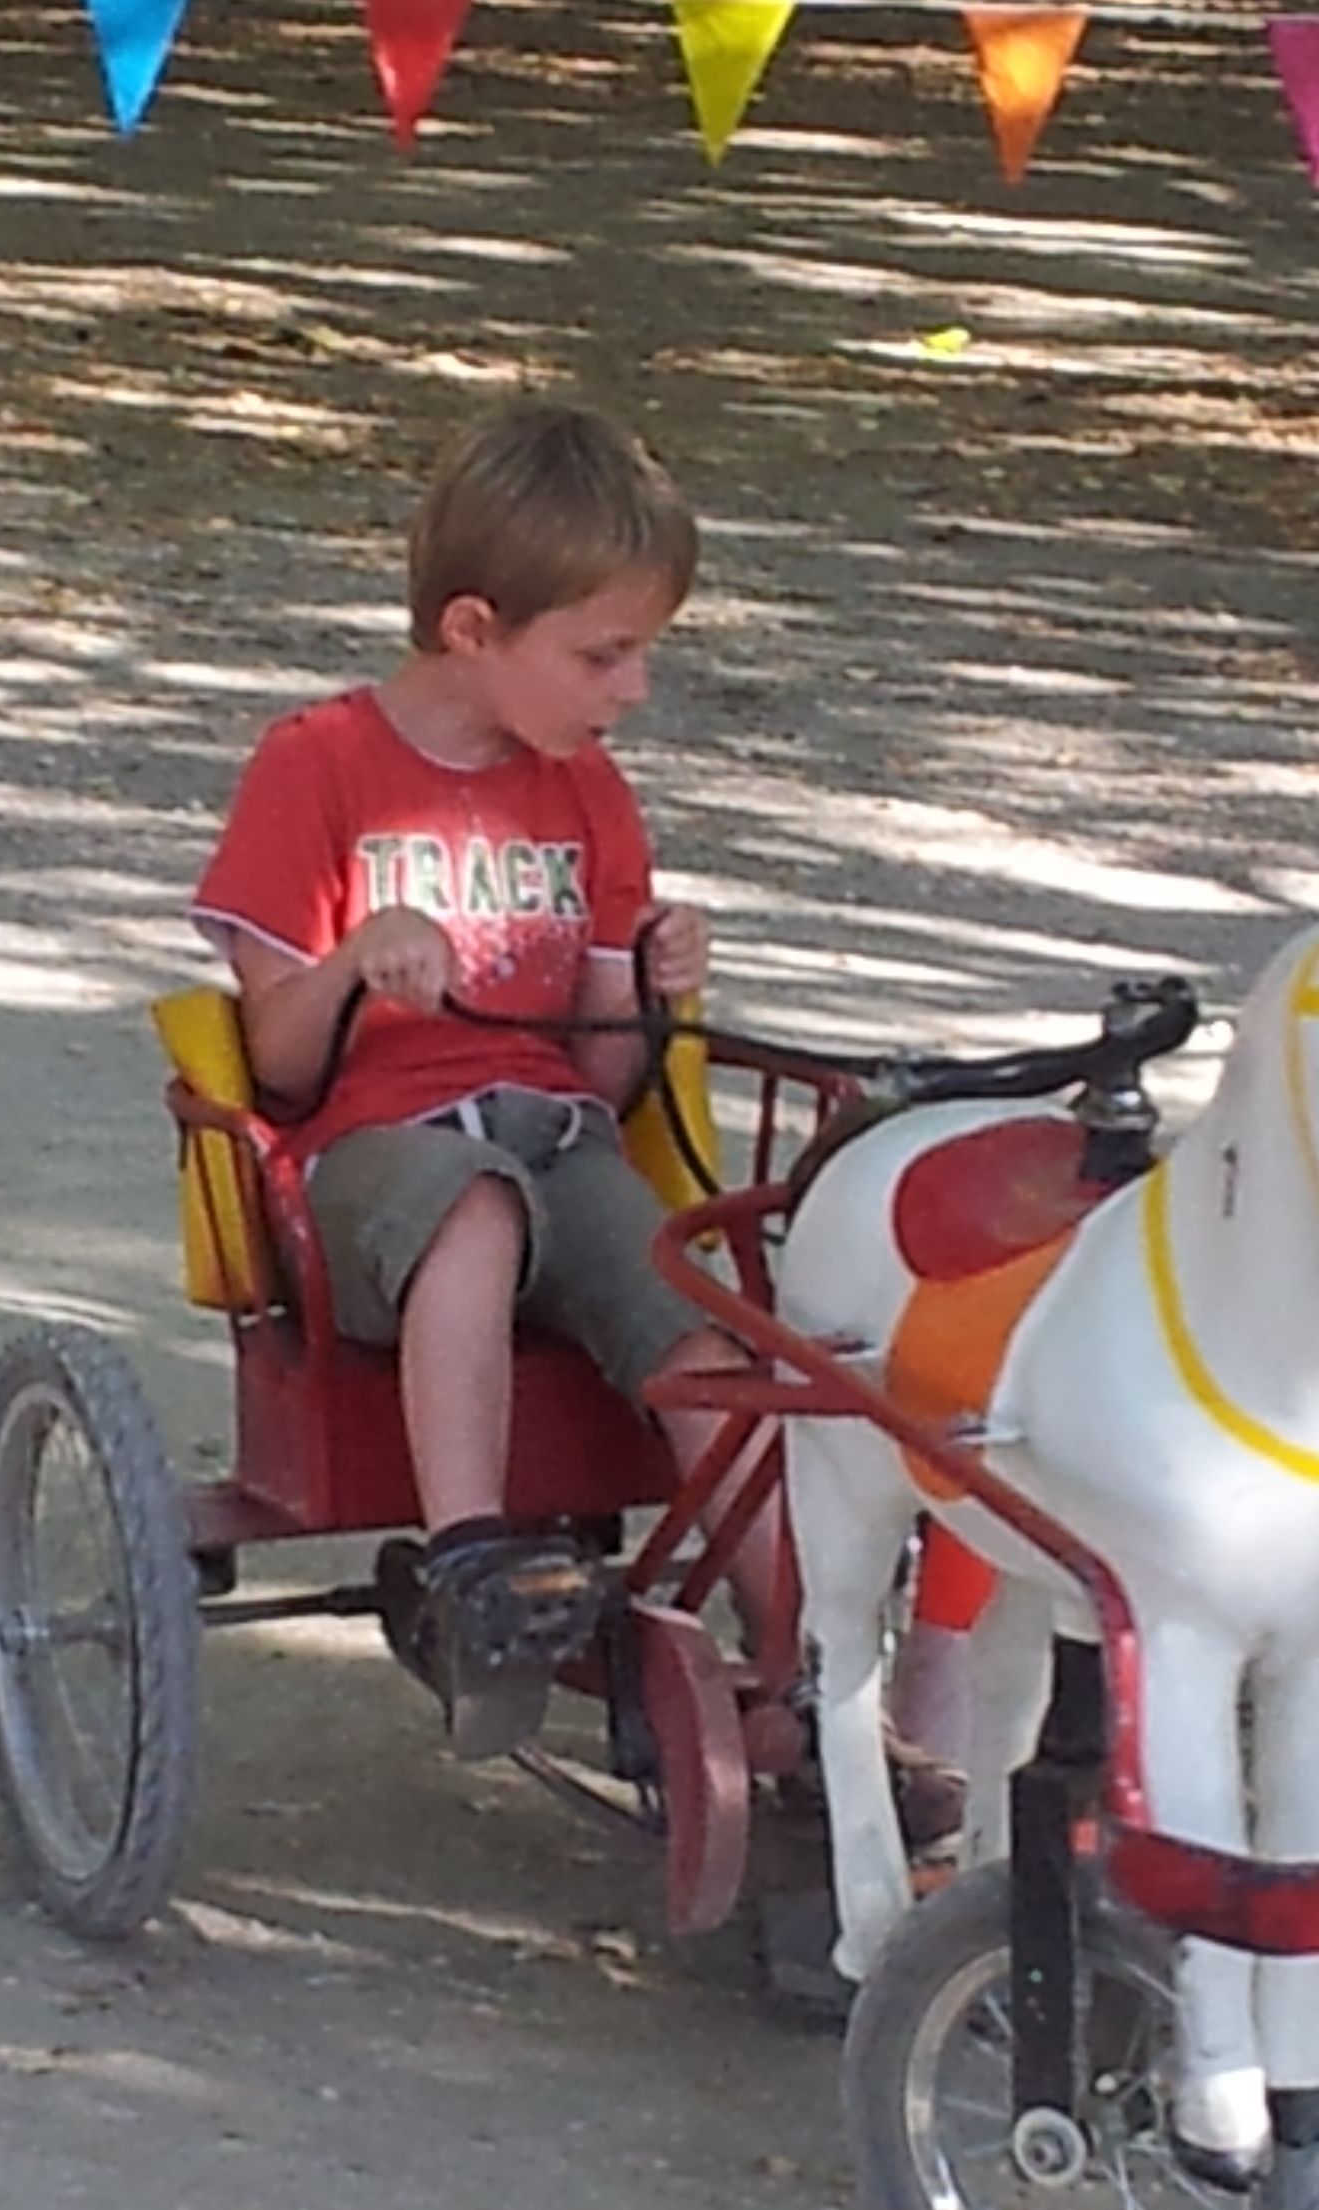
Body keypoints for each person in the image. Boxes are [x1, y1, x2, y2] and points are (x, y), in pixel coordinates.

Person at [186, 400, 788, 1759]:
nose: (633, 689)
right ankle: (472, 1567)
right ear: (473, 628)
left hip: (559, 1136)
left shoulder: (590, 794)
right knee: (475, 1206)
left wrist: (648, 979)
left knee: (694, 1310)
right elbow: (278, 1063)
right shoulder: (316, 766)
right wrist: (352, 965)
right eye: (602, 655)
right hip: (370, 1161)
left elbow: (603, 1078)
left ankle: (800, 1667)